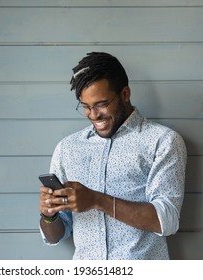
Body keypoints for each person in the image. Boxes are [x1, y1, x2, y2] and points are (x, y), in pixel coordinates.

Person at [38, 52, 187, 260]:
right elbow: (55, 236)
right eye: (86, 107)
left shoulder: (162, 141)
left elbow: (167, 220)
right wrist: (48, 215)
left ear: (125, 94)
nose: (93, 115)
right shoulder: (67, 148)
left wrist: (97, 200)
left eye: (101, 104)